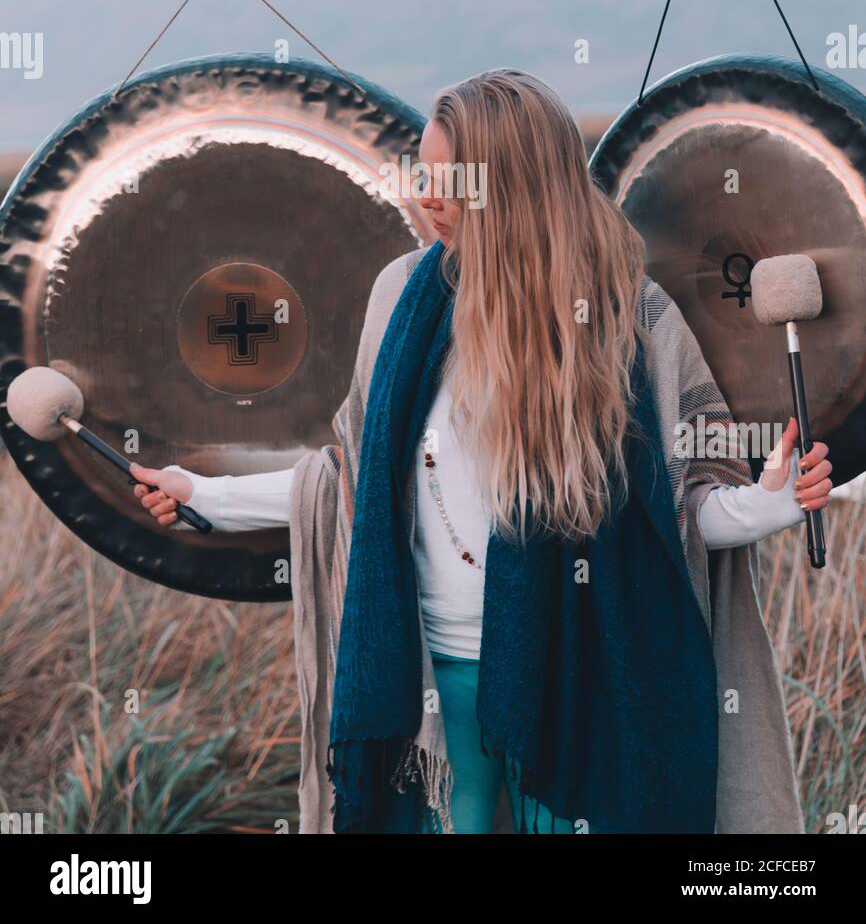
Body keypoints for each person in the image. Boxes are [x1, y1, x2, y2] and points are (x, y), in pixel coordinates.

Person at [131, 69, 831, 835]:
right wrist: (207, 498)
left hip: (588, 676)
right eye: (423, 175)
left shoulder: (632, 316)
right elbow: (351, 481)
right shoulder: (402, 294)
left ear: (518, 183)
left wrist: (771, 501)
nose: (427, 197)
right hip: (435, 680)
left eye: (450, 180)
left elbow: (686, 512)